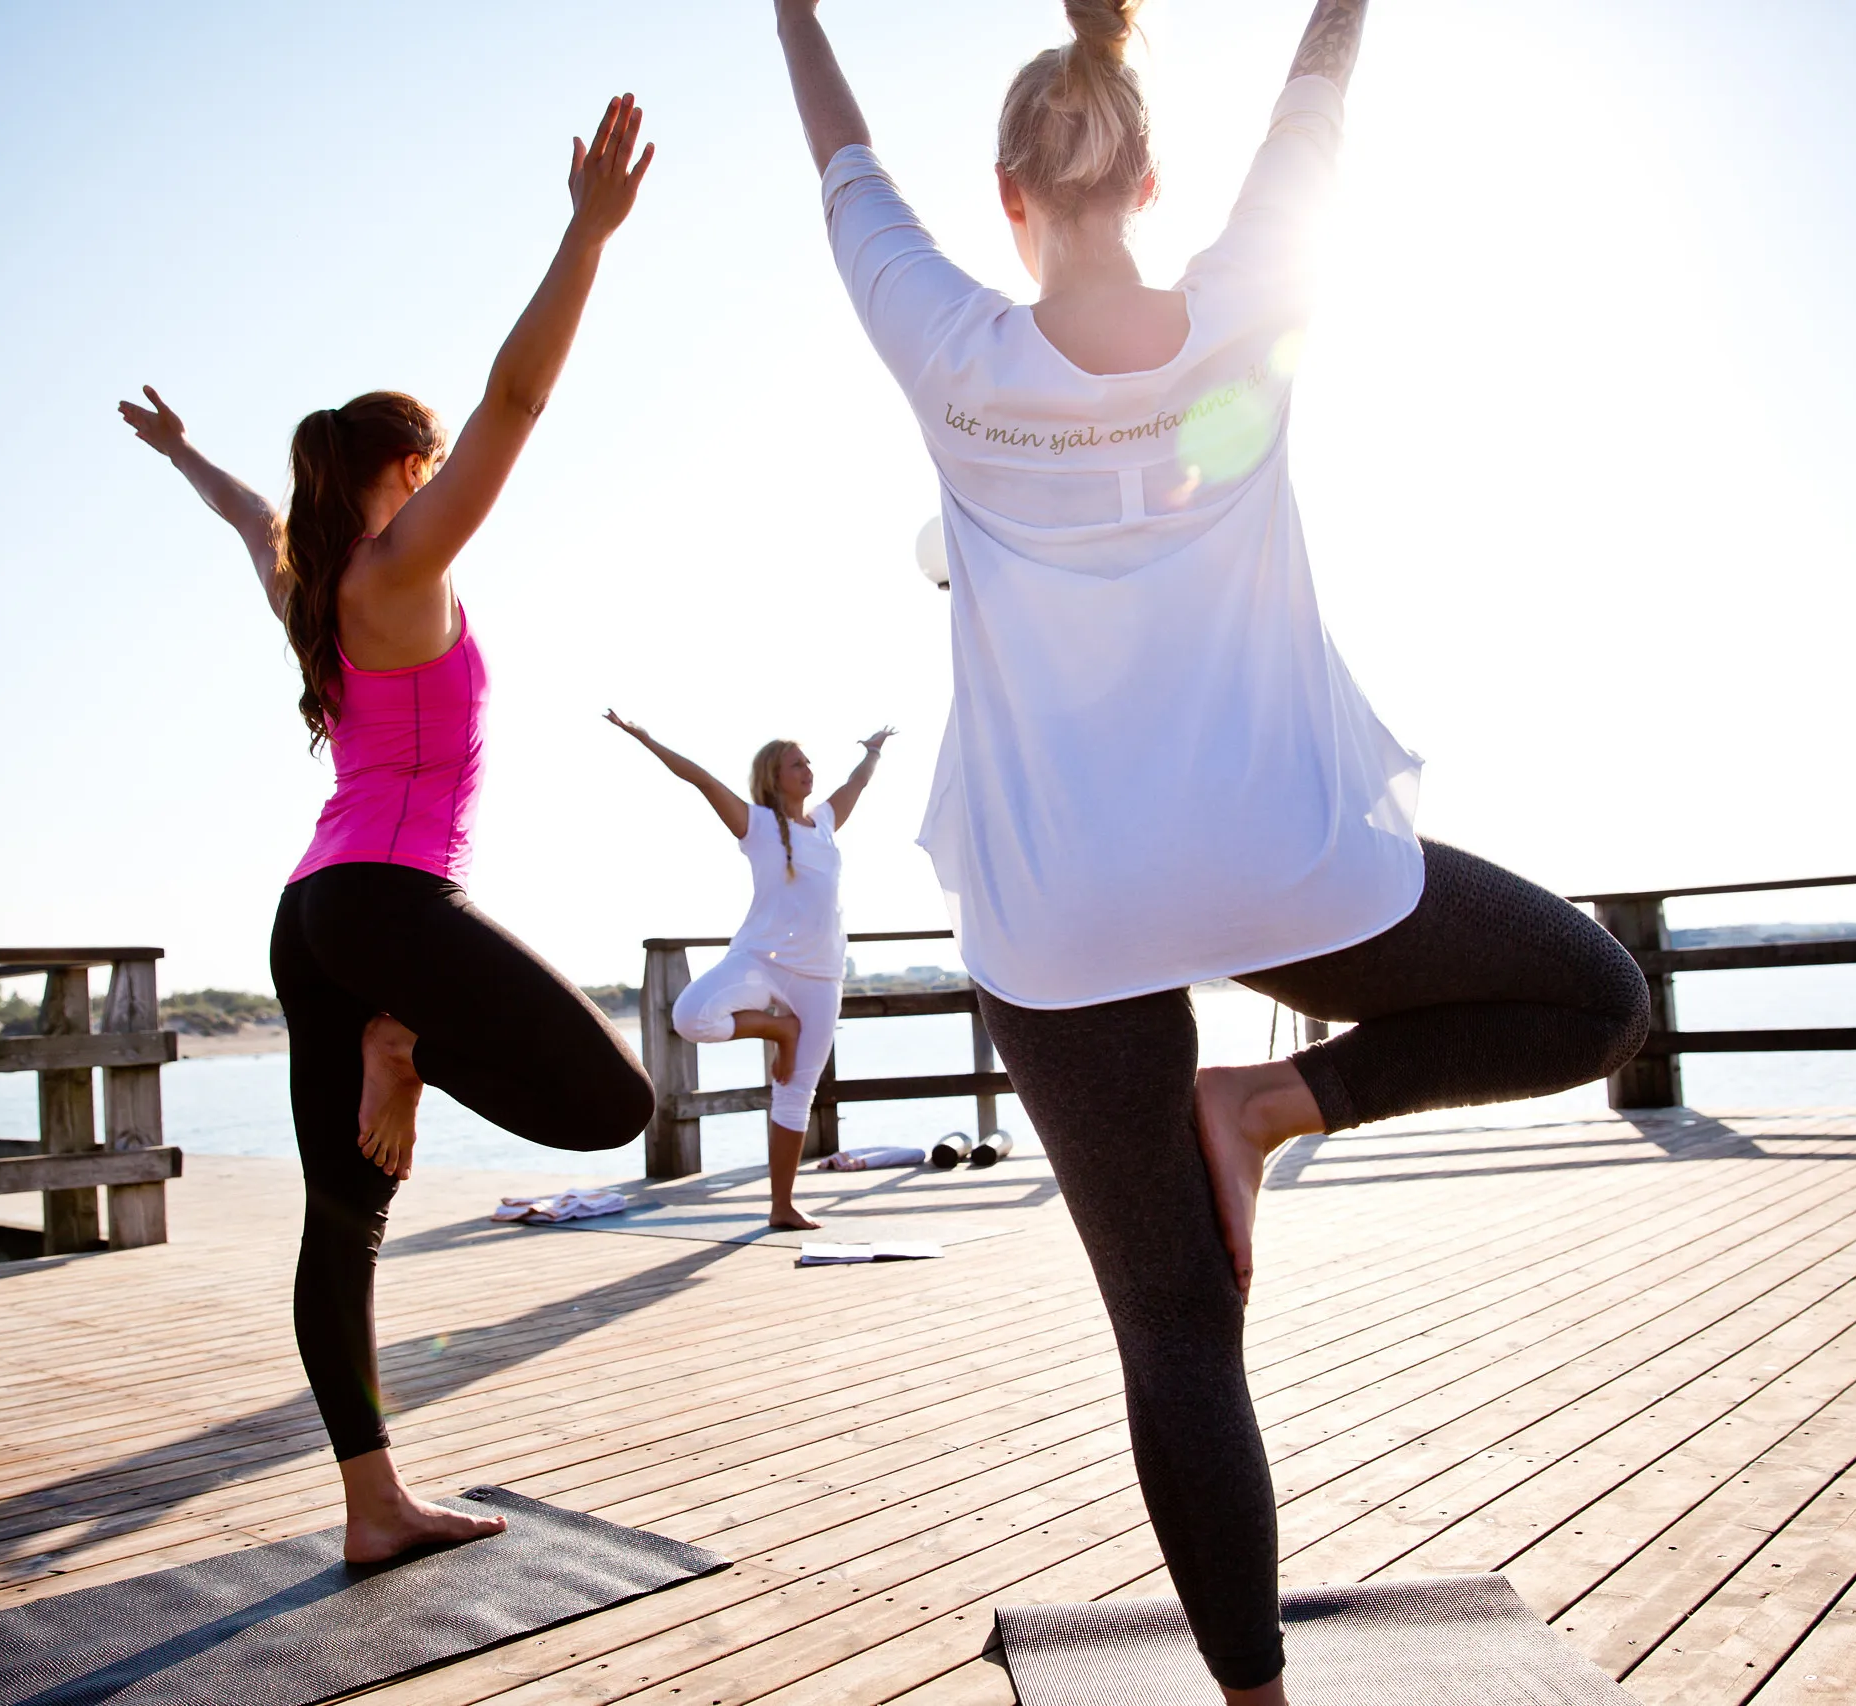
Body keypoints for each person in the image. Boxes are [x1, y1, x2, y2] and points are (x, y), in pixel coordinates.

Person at [771, 3, 1650, 1698]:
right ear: (1154, 176)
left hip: (1057, 911)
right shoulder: (1250, 299)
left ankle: (1253, 1700)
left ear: (1010, 194)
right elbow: (1321, 99)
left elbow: (843, 164)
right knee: (1596, 999)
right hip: (1279, 864)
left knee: (1177, 1331)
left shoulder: (945, 345)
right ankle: (1277, 1099)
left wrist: (796, 9)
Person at [119, 95, 660, 1565]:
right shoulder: (400, 566)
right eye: (425, 461)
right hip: (383, 905)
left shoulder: (309, 584)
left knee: (340, 1220)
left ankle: (371, 1507)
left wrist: (184, 457)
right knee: (617, 1107)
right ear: (402, 468)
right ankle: (403, 1038)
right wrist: (585, 236)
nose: (441, 476)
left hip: (311, 918)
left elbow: (248, 515)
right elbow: (520, 402)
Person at [605, 714, 894, 1229]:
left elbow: (857, 783)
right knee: (691, 1017)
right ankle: (779, 1028)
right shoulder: (756, 825)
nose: (808, 770)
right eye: (796, 764)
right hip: (761, 961)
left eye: (808, 762)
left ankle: (782, 1206)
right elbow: (702, 780)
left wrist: (873, 751)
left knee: (797, 1091)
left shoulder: (824, 822)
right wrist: (647, 740)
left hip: (821, 976)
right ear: (773, 776)